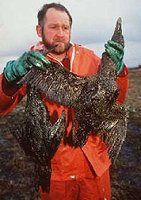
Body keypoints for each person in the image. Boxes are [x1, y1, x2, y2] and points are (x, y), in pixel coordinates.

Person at [0, 3, 128, 200]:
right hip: (56, 175)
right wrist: (9, 78)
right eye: (53, 27)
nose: (60, 33)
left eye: (65, 27)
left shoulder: (91, 60)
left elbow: (116, 100)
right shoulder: (31, 64)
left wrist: (117, 72)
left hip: (94, 171)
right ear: (39, 30)